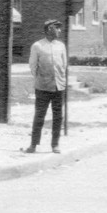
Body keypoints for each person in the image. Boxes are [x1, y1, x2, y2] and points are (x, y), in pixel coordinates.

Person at [24, 19, 67, 154]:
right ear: (49, 29)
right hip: (42, 87)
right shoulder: (37, 46)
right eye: (57, 28)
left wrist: (60, 79)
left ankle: (55, 145)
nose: (59, 30)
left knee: (58, 116)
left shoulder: (61, 46)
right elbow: (32, 66)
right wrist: (41, 79)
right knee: (39, 116)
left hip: (58, 87)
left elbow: (64, 65)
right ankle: (33, 145)